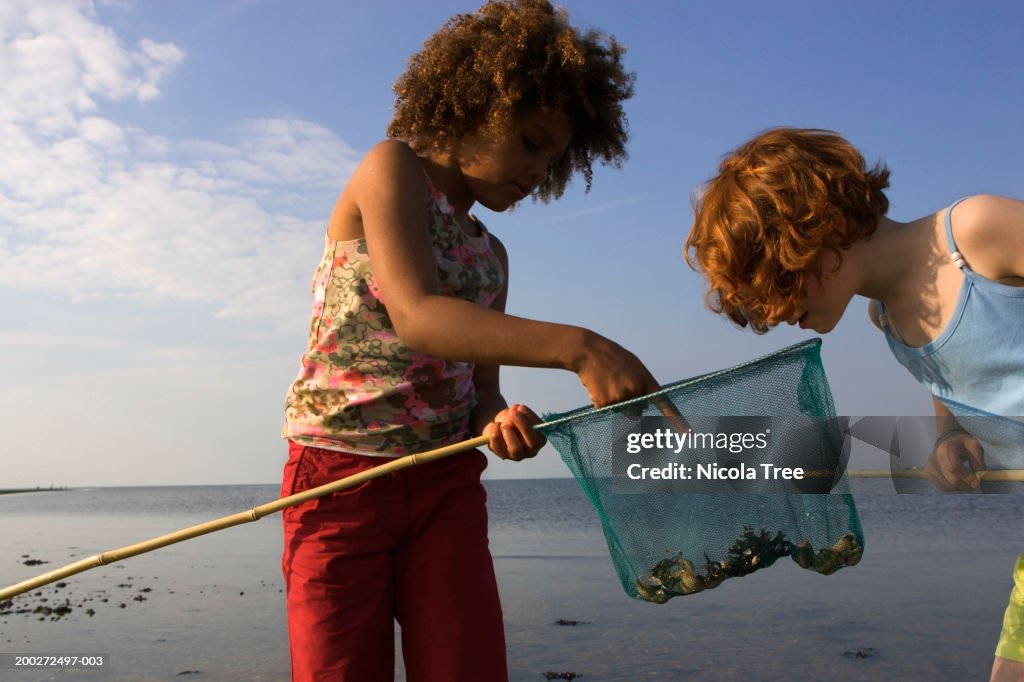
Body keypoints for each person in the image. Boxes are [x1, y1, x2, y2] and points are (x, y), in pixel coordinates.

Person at [279, 1, 659, 680]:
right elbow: (418, 315)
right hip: (340, 474)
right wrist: (582, 346)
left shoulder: (494, 257)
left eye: (554, 159)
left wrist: (500, 421)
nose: (539, 169)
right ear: (471, 105)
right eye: (531, 140)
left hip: (446, 485)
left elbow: (481, 393)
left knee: (466, 665)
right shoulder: (390, 168)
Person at [684, 127, 1024, 681]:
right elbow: (947, 375)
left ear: (826, 226)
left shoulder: (976, 233)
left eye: (777, 279)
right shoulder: (885, 318)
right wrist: (947, 436)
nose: (771, 312)